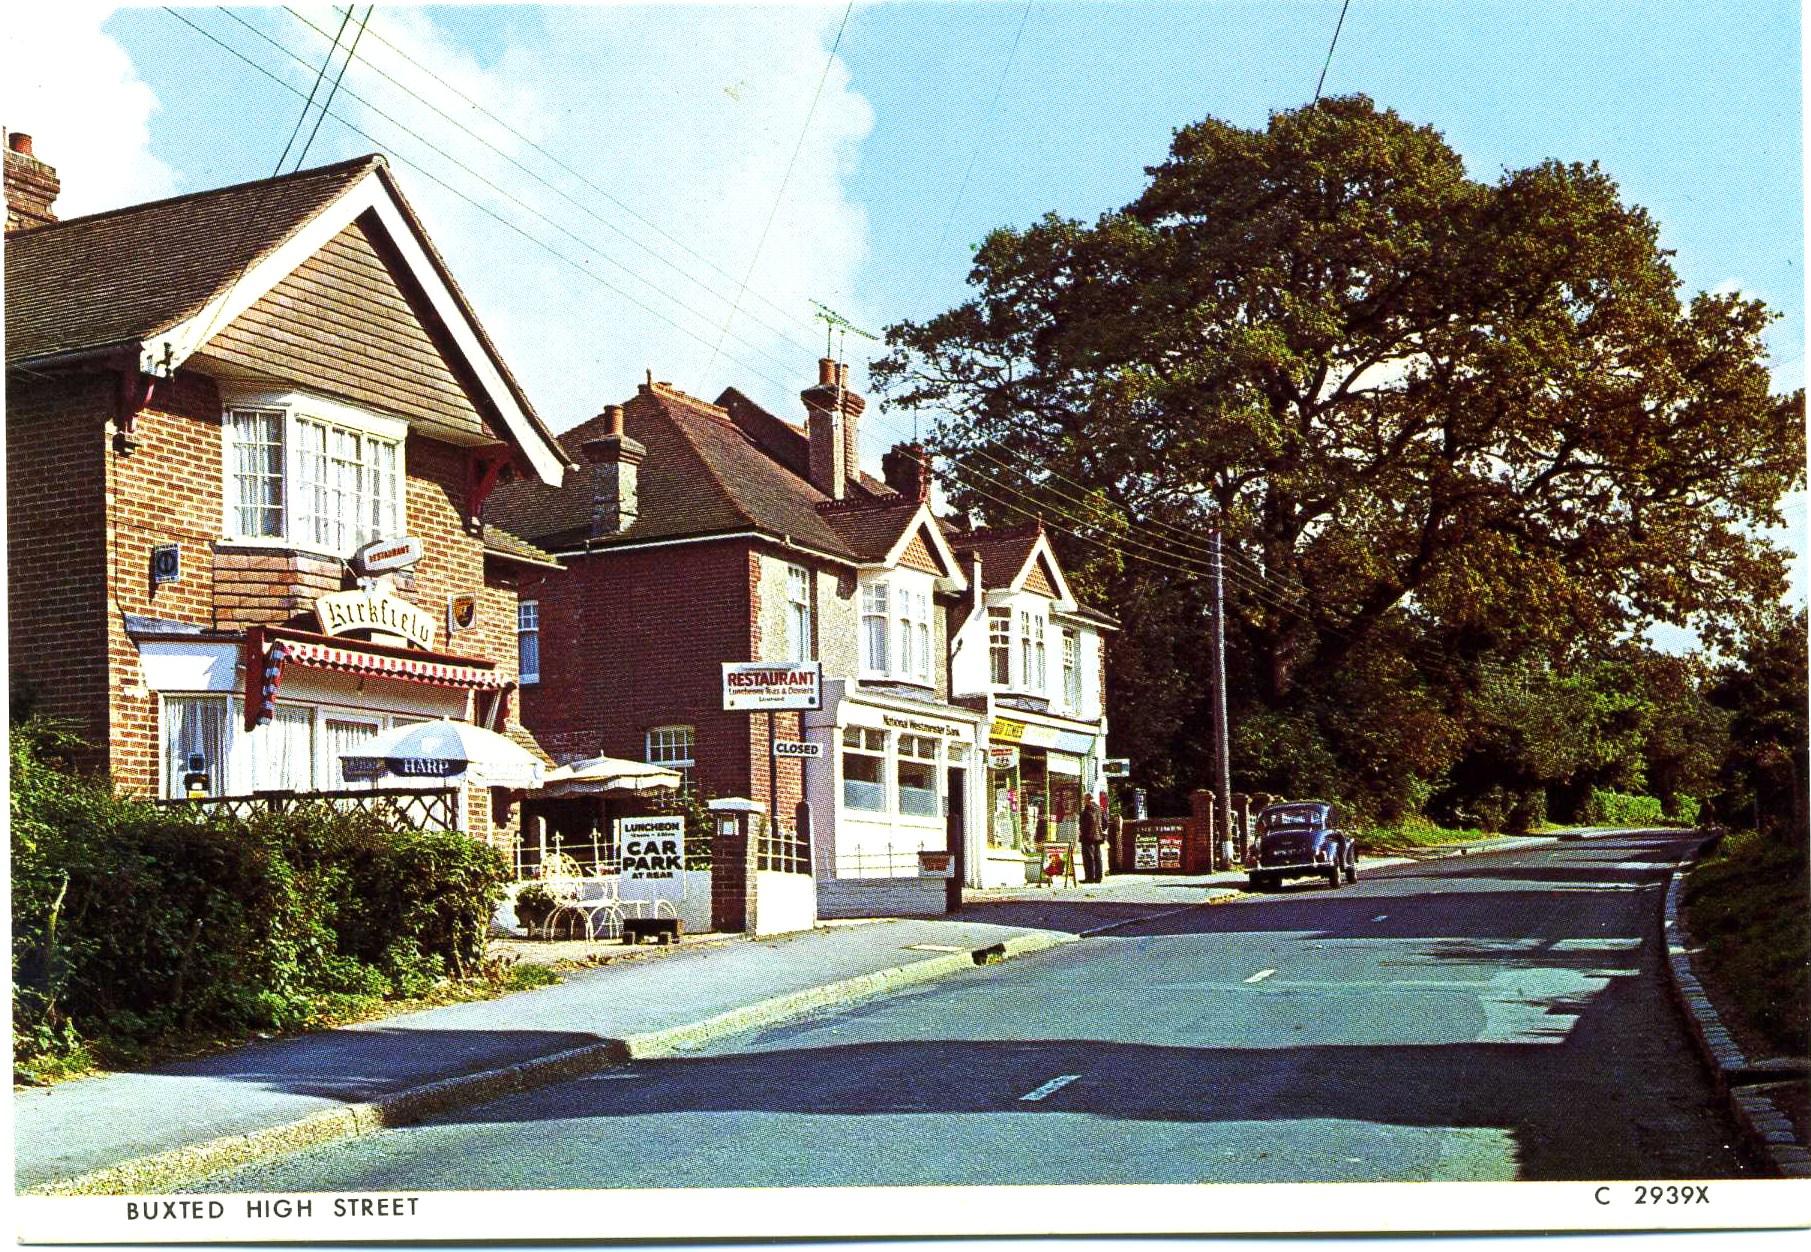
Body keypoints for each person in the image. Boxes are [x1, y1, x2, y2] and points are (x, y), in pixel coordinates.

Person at [1079, 796, 1105, 883]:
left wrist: (1082, 832)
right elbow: (1105, 822)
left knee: (1088, 858)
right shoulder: (1099, 809)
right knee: (1097, 857)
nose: (1083, 801)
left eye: (1084, 799)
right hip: (1098, 836)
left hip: (1088, 837)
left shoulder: (1088, 810)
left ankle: (1089, 878)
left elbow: (1086, 824)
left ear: (1087, 800)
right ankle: (1098, 877)